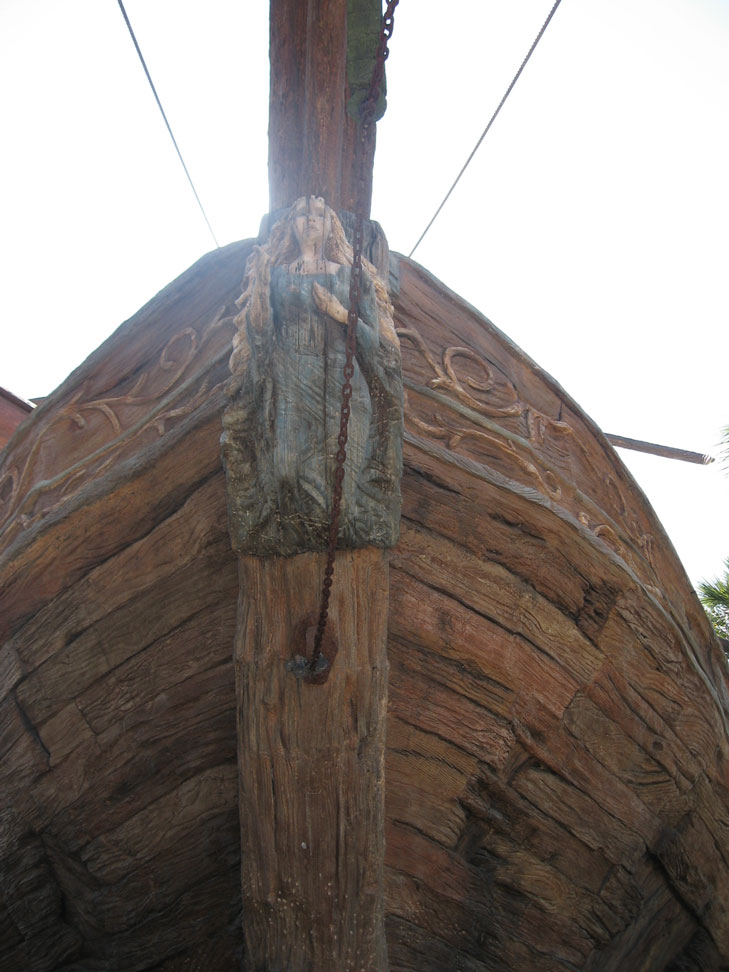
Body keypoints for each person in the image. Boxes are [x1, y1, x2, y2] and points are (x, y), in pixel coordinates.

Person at [222, 196, 402, 557]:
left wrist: (339, 313)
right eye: (303, 213)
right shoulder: (277, 277)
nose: (310, 220)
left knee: (338, 493)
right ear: (291, 225)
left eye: (319, 214)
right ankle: (285, 532)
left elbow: (375, 344)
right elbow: (260, 336)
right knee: (285, 472)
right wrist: (258, 285)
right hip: (289, 378)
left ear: (330, 225)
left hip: (342, 384)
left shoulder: (353, 278)